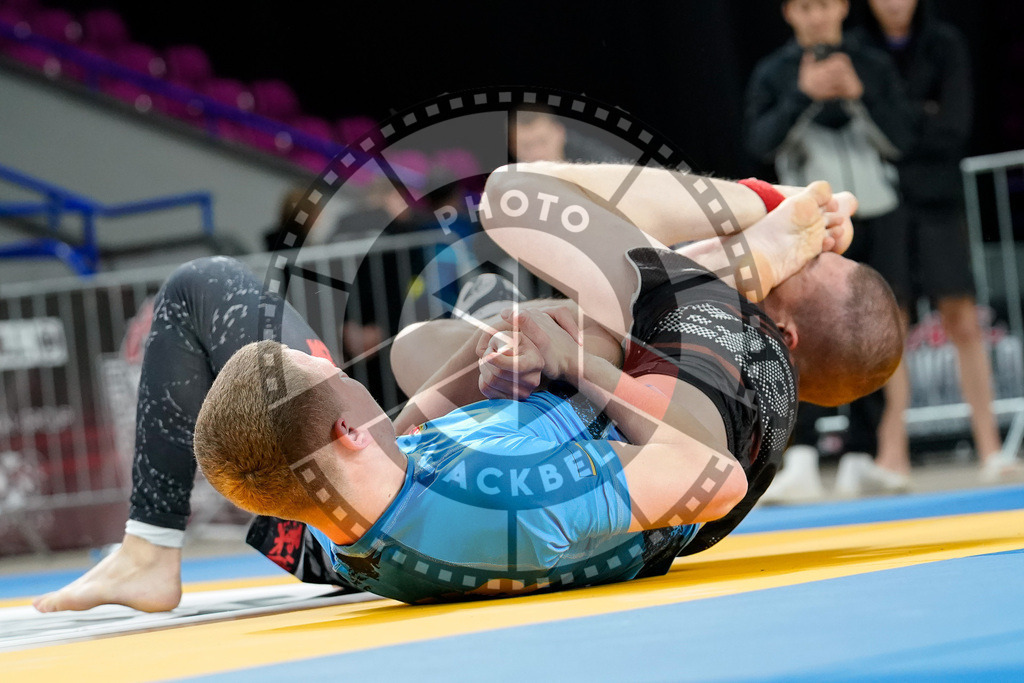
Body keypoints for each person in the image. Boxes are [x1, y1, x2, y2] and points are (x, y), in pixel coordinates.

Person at [33, 164, 900, 610]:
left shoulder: (394, 504)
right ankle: (745, 228)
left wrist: (489, 369)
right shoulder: (519, 503)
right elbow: (706, 471)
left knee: (224, 290)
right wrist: (565, 362)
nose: (329, 360)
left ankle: (151, 545)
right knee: (518, 230)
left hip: (409, 482)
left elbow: (401, 460)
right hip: (666, 422)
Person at [745, 0, 918, 501]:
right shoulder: (775, 72)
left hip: (877, 212)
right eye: (805, 7)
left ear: (842, 7)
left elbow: (906, 138)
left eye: (824, 4)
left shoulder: (873, 62)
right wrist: (803, 96)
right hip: (805, 219)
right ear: (788, 13)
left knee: (875, 331)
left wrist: (860, 94)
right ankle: (798, 454)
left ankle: (864, 454)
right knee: (802, 334)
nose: (816, 16)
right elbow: (759, 141)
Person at [855, 0, 1021, 483]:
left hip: (940, 202)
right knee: (892, 327)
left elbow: (953, 127)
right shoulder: (860, 49)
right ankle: (893, 454)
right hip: (885, 205)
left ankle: (990, 447)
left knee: (964, 321)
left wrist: (900, 123)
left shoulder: (944, 43)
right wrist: (915, 117)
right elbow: (876, 131)